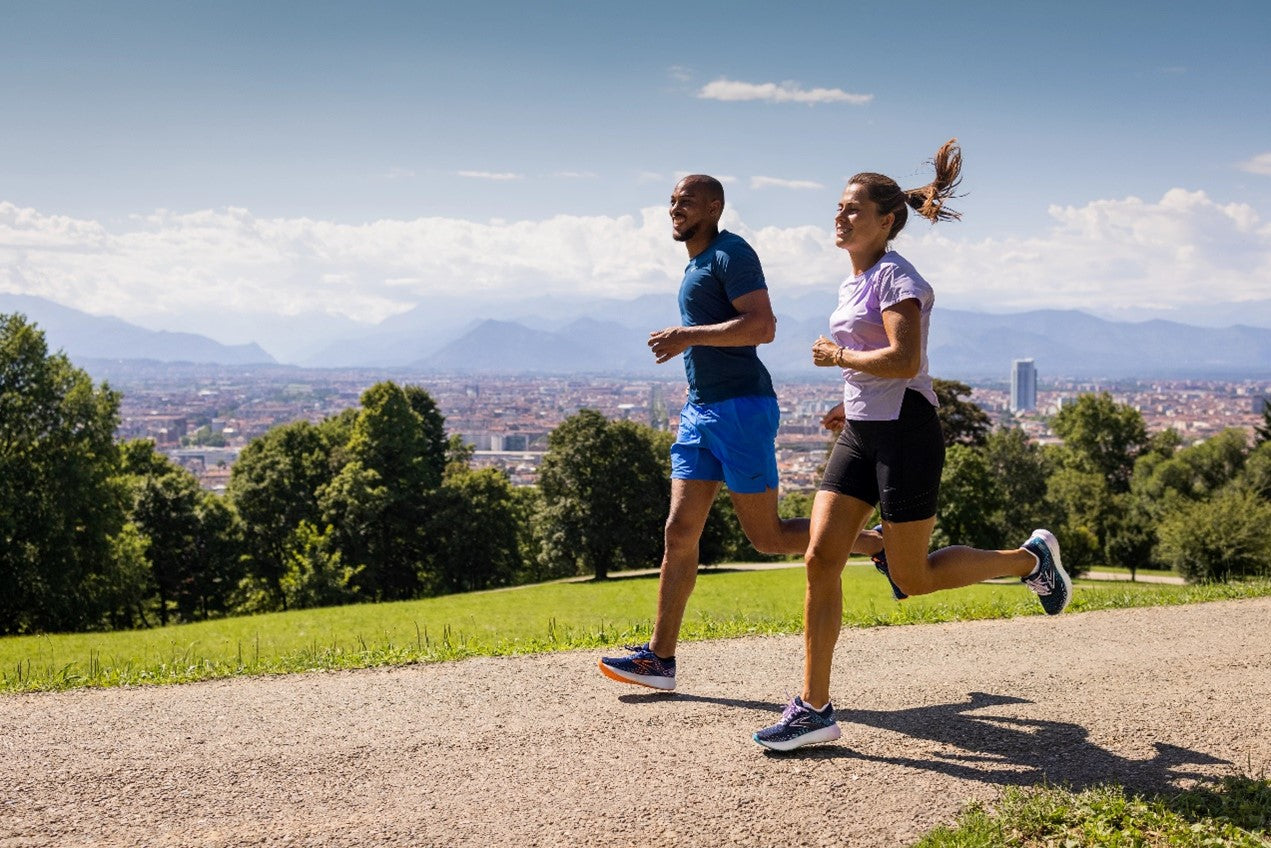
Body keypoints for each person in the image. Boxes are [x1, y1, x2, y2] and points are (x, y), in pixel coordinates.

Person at [752, 140, 1071, 751]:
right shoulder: (856, 280)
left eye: (853, 210)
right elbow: (879, 371)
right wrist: (848, 400)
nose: (840, 217)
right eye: (839, 208)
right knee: (821, 556)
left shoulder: (899, 277)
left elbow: (903, 359)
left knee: (914, 577)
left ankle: (1031, 560)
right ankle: (814, 708)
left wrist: (838, 357)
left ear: (887, 220)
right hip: (862, 431)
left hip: (906, 435)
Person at [598, 174, 881, 692]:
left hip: (741, 409)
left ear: (714, 206)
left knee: (767, 537)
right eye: (671, 201)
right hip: (699, 409)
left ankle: (871, 543)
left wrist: (685, 335)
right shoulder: (696, 263)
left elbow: (761, 326)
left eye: (685, 201)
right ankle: (660, 660)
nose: (673, 209)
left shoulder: (732, 253)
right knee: (678, 533)